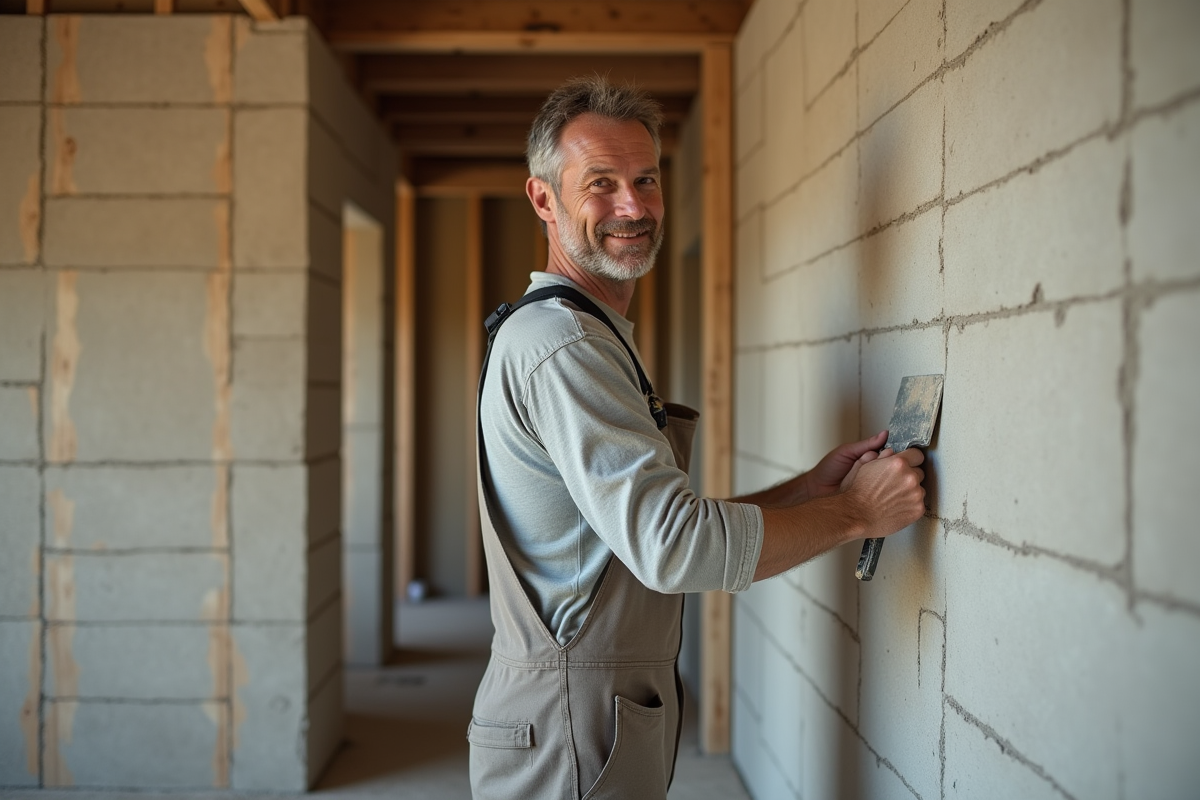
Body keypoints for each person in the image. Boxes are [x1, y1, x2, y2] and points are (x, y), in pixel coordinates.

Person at [469, 75, 926, 800]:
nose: (633, 206)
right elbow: (673, 547)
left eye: (645, 179)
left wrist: (809, 491)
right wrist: (858, 514)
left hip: (585, 713)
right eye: (601, 183)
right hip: (569, 730)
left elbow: (634, 536)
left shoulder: (581, 334)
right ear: (543, 200)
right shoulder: (565, 345)